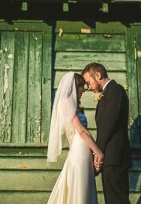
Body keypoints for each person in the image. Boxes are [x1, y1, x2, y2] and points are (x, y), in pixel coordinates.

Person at [47, 72, 104, 204]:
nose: (83, 90)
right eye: (81, 86)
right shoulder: (65, 102)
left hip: (83, 151)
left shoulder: (71, 104)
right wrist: (98, 152)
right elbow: (82, 132)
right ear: (74, 86)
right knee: (81, 189)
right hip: (79, 151)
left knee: (83, 188)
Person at [82, 62, 132, 204]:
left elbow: (108, 124)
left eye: (88, 82)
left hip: (115, 156)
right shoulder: (107, 93)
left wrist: (98, 152)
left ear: (98, 75)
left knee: (117, 200)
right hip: (110, 157)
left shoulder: (115, 90)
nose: (88, 87)